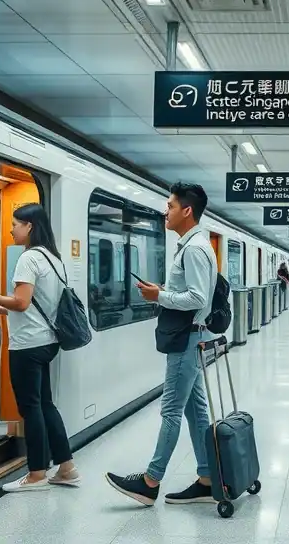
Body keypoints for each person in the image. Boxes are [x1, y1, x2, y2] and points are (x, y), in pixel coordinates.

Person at [105, 182, 218, 506]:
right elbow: (192, 292)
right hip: (192, 335)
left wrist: (161, 296)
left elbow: (197, 297)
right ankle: (208, 477)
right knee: (196, 412)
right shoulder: (194, 245)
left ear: (187, 210)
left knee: (170, 410)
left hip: (185, 338)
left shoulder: (194, 248)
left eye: (169, 206)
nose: (164, 211)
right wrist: (164, 291)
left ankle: (150, 481)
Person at [0, 203, 80, 492]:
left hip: (27, 346)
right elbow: (35, 307)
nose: (11, 229)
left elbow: (22, 302)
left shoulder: (29, 258)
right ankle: (67, 467)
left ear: (29, 226)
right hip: (47, 341)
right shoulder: (53, 258)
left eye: (15, 224)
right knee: (45, 403)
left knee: (30, 407)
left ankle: (36, 474)